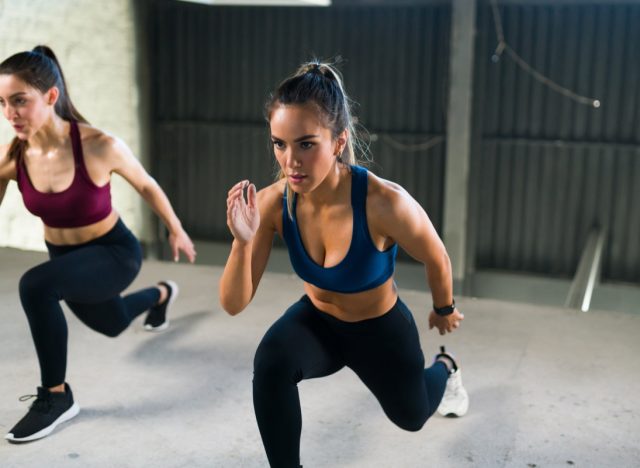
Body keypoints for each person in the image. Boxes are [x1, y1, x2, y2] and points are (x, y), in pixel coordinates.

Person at [219, 61, 469, 467]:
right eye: (279, 144)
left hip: (380, 330)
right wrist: (242, 243)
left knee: (412, 417)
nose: (290, 161)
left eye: (305, 144)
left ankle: (446, 366)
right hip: (319, 324)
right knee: (271, 362)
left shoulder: (383, 203)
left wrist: (444, 309)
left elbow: (436, 255)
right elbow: (233, 303)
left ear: (338, 142)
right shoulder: (270, 204)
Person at [0, 46, 196, 443]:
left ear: (51, 96)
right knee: (113, 323)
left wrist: (175, 228)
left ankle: (56, 397)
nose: (9, 113)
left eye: (19, 101)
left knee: (35, 286)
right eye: (2, 103)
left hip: (114, 254)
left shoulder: (98, 145)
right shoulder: (12, 156)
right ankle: (161, 295)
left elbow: (145, 183)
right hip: (66, 259)